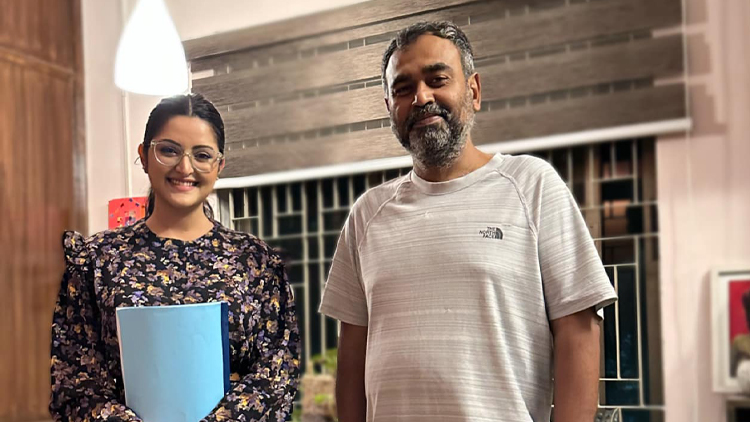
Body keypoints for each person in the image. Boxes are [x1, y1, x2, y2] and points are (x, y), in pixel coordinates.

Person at [319, 21, 617, 422]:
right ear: (390, 106)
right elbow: (352, 360)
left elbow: (578, 330)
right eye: (403, 89)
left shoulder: (532, 186)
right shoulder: (367, 214)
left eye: (437, 80)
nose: (421, 97)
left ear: (473, 91)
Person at [50, 93, 300, 422]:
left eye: (202, 155)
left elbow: (278, 373)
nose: (185, 167)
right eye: (169, 150)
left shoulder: (256, 262)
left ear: (219, 166)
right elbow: (72, 380)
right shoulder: (96, 261)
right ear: (144, 155)